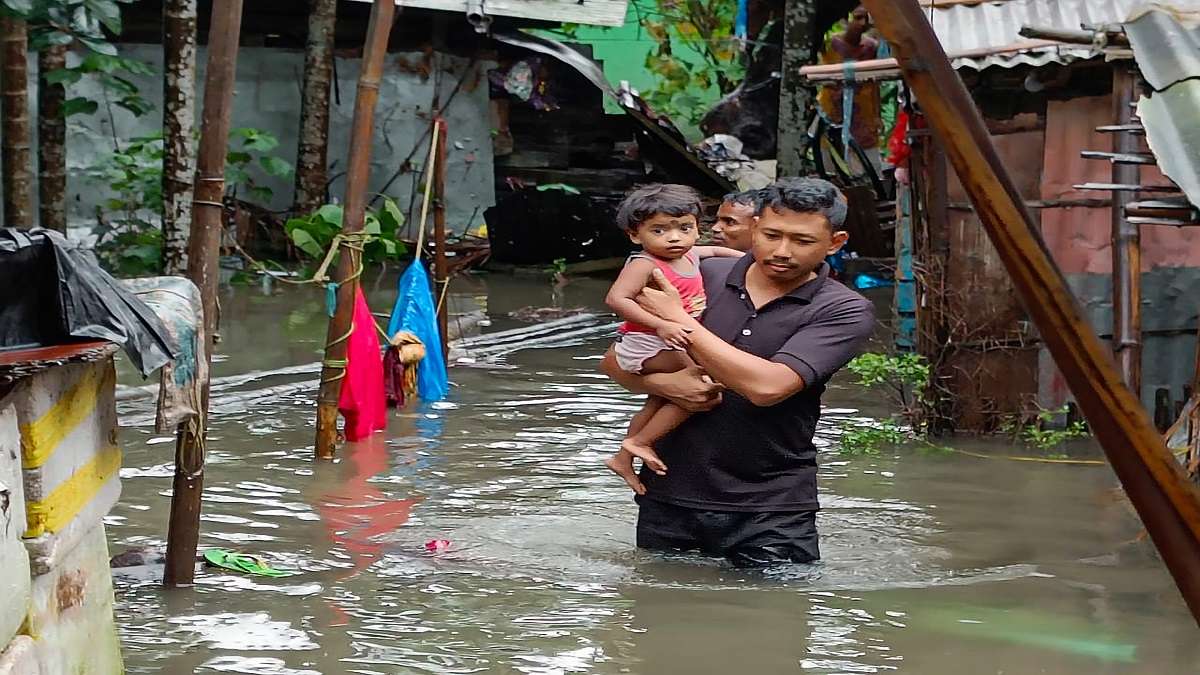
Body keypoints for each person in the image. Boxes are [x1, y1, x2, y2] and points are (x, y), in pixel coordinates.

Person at [600, 177, 874, 567]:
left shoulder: (841, 309)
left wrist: (681, 320)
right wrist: (667, 384)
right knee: (658, 621)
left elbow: (767, 387)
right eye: (771, 234)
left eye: (802, 241)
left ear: (835, 243)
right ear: (755, 226)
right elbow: (615, 361)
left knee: (774, 620)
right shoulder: (701, 273)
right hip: (667, 495)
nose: (782, 251)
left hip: (771, 507)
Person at [603, 184, 744, 494]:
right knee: (703, 382)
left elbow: (718, 251)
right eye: (660, 230)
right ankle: (641, 441)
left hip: (668, 340)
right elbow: (617, 299)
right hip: (646, 344)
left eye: (684, 227)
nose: (674, 237)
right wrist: (661, 324)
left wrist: (752, 260)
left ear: (697, 227)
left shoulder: (691, 255)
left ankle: (624, 457)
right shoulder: (645, 264)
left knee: (663, 397)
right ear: (635, 235)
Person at [816, 5, 883, 174]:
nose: (862, 23)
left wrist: (877, 116)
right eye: (858, 18)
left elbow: (875, 85)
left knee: (867, 162)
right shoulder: (830, 45)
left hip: (862, 112)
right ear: (846, 19)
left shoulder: (871, 48)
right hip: (832, 109)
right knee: (829, 156)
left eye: (866, 19)